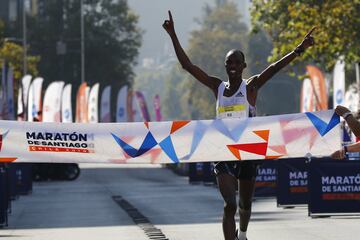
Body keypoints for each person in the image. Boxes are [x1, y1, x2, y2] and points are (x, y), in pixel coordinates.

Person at [163, 10, 315, 240]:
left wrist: (299, 49)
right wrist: (173, 34)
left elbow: (273, 69)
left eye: (236, 62)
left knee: (245, 205)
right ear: (225, 66)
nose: (232, 65)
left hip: (248, 151)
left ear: (243, 66)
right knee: (229, 205)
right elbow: (187, 66)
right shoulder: (217, 87)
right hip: (223, 151)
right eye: (228, 62)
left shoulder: (250, 87)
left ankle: (242, 234)